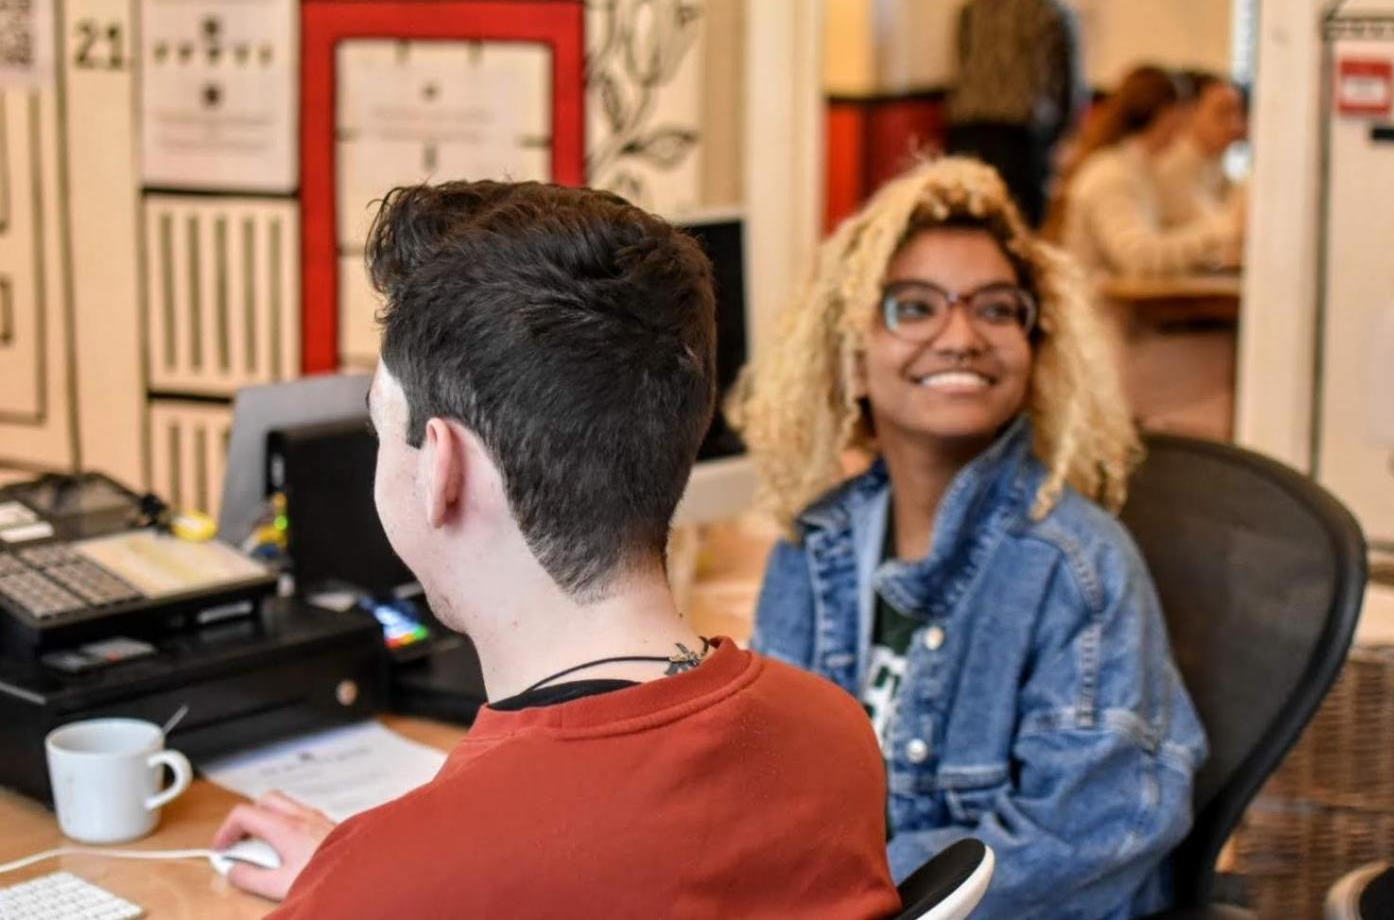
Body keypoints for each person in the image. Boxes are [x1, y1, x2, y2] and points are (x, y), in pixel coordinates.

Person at [211, 180, 902, 919]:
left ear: (443, 467)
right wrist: (368, 874)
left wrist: (363, 881)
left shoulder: (391, 886)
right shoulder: (835, 739)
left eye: (383, 425)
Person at [731, 157, 1206, 919]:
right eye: (914, 308)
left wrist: (833, 892)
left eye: (995, 308)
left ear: (1034, 346)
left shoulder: (1075, 568)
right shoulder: (816, 541)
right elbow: (766, 783)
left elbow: (1085, 837)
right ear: (853, 358)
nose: (961, 335)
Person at [1057, 64, 1244, 276]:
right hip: (1099, 306)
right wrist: (1219, 231)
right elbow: (1138, 258)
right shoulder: (1111, 173)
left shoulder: (1140, 170)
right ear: (1167, 116)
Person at [947, 0, 1085, 227]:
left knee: (970, 216)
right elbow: (1069, 81)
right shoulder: (1052, 10)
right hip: (1022, 131)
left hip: (968, 126)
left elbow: (961, 65)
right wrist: (1068, 133)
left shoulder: (972, 7)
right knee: (1021, 221)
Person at [1154, 72, 1249, 227]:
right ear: (1189, 113)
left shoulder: (1214, 162)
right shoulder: (1172, 167)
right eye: (1222, 112)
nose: (1235, 125)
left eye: (1237, 112)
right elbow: (1219, 228)